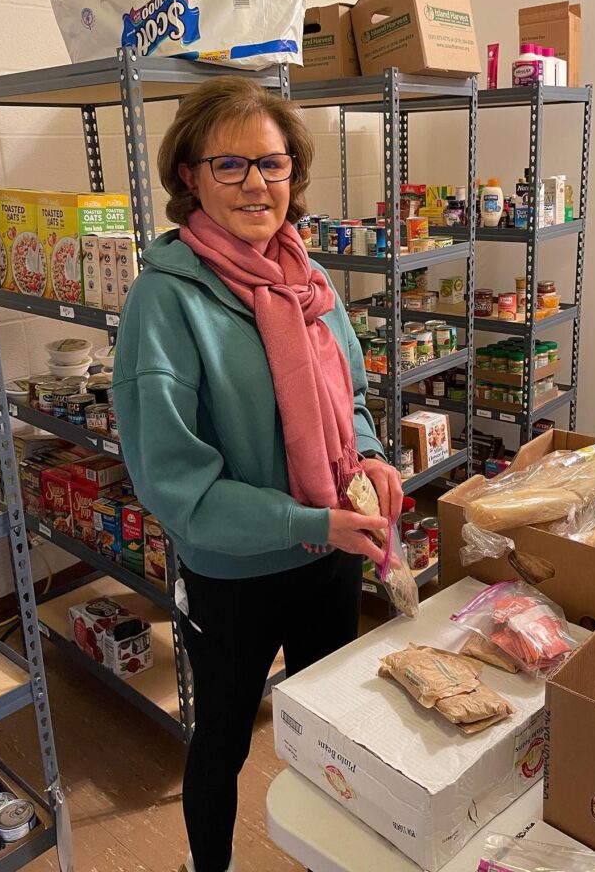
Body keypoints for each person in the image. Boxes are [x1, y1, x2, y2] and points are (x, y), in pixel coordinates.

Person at [112, 77, 403, 872]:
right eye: (230, 166)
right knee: (225, 740)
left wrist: (372, 459)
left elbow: (355, 402)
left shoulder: (307, 280)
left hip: (332, 559)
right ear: (189, 178)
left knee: (323, 732)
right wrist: (308, 523)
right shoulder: (164, 301)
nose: (256, 185)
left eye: (271, 165)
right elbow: (178, 485)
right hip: (237, 573)